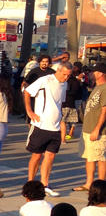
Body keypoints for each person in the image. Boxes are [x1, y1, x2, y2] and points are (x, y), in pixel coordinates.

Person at [24, 60, 73, 196]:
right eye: (64, 74)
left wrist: (60, 117)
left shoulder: (65, 84)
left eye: (68, 75)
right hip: (41, 125)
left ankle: (45, 184)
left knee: (50, 156)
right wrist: (29, 111)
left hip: (55, 126)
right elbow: (27, 92)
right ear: (58, 70)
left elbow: (60, 103)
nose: (66, 77)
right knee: (37, 155)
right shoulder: (45, 80)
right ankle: (31, 183)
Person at [74, 61, 106, 192]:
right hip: (87, 128)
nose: (92, 74)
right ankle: (89, 183)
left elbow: (104, 111)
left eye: (94, 72)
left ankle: (101, 185)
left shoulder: (104, 88)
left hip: (98, 131)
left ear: (101, 73)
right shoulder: (96, 87)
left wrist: (97, 129)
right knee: (89, 157)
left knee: (100, 157)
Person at [61, 61, 82, 143]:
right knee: (70, 119)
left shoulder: (74, 80)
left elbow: (74, 91)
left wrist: (63, 92)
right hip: (71, 101)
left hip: (70, 102)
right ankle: (69, 134)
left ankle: (67, 135)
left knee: (64, 120)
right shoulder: (74, 79)